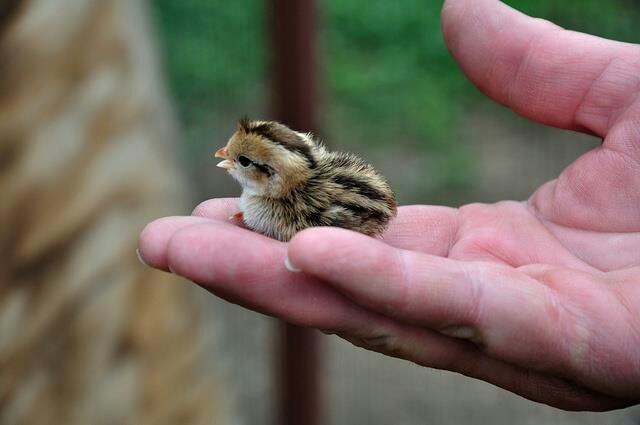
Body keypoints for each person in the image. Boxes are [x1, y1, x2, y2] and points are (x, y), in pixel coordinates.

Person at [138, 0, 640, 411]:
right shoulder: (280, 187)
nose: (227, 158)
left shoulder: (284, 207)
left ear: (269, 176)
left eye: (240, 159)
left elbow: (348, 210)